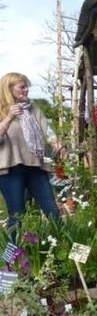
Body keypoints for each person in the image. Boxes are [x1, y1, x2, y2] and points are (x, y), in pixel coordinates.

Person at [0, 72, 61, 235]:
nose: (26, 90)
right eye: (22, 86)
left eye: (27, 86)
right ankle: (13, 260)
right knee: (17, 216)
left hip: (35, 167)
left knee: (52, 212)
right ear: (9, 88)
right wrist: (9, 117)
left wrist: (57, 143)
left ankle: (65, 253)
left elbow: (47, 130)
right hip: (10, 170)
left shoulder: (32, 108)